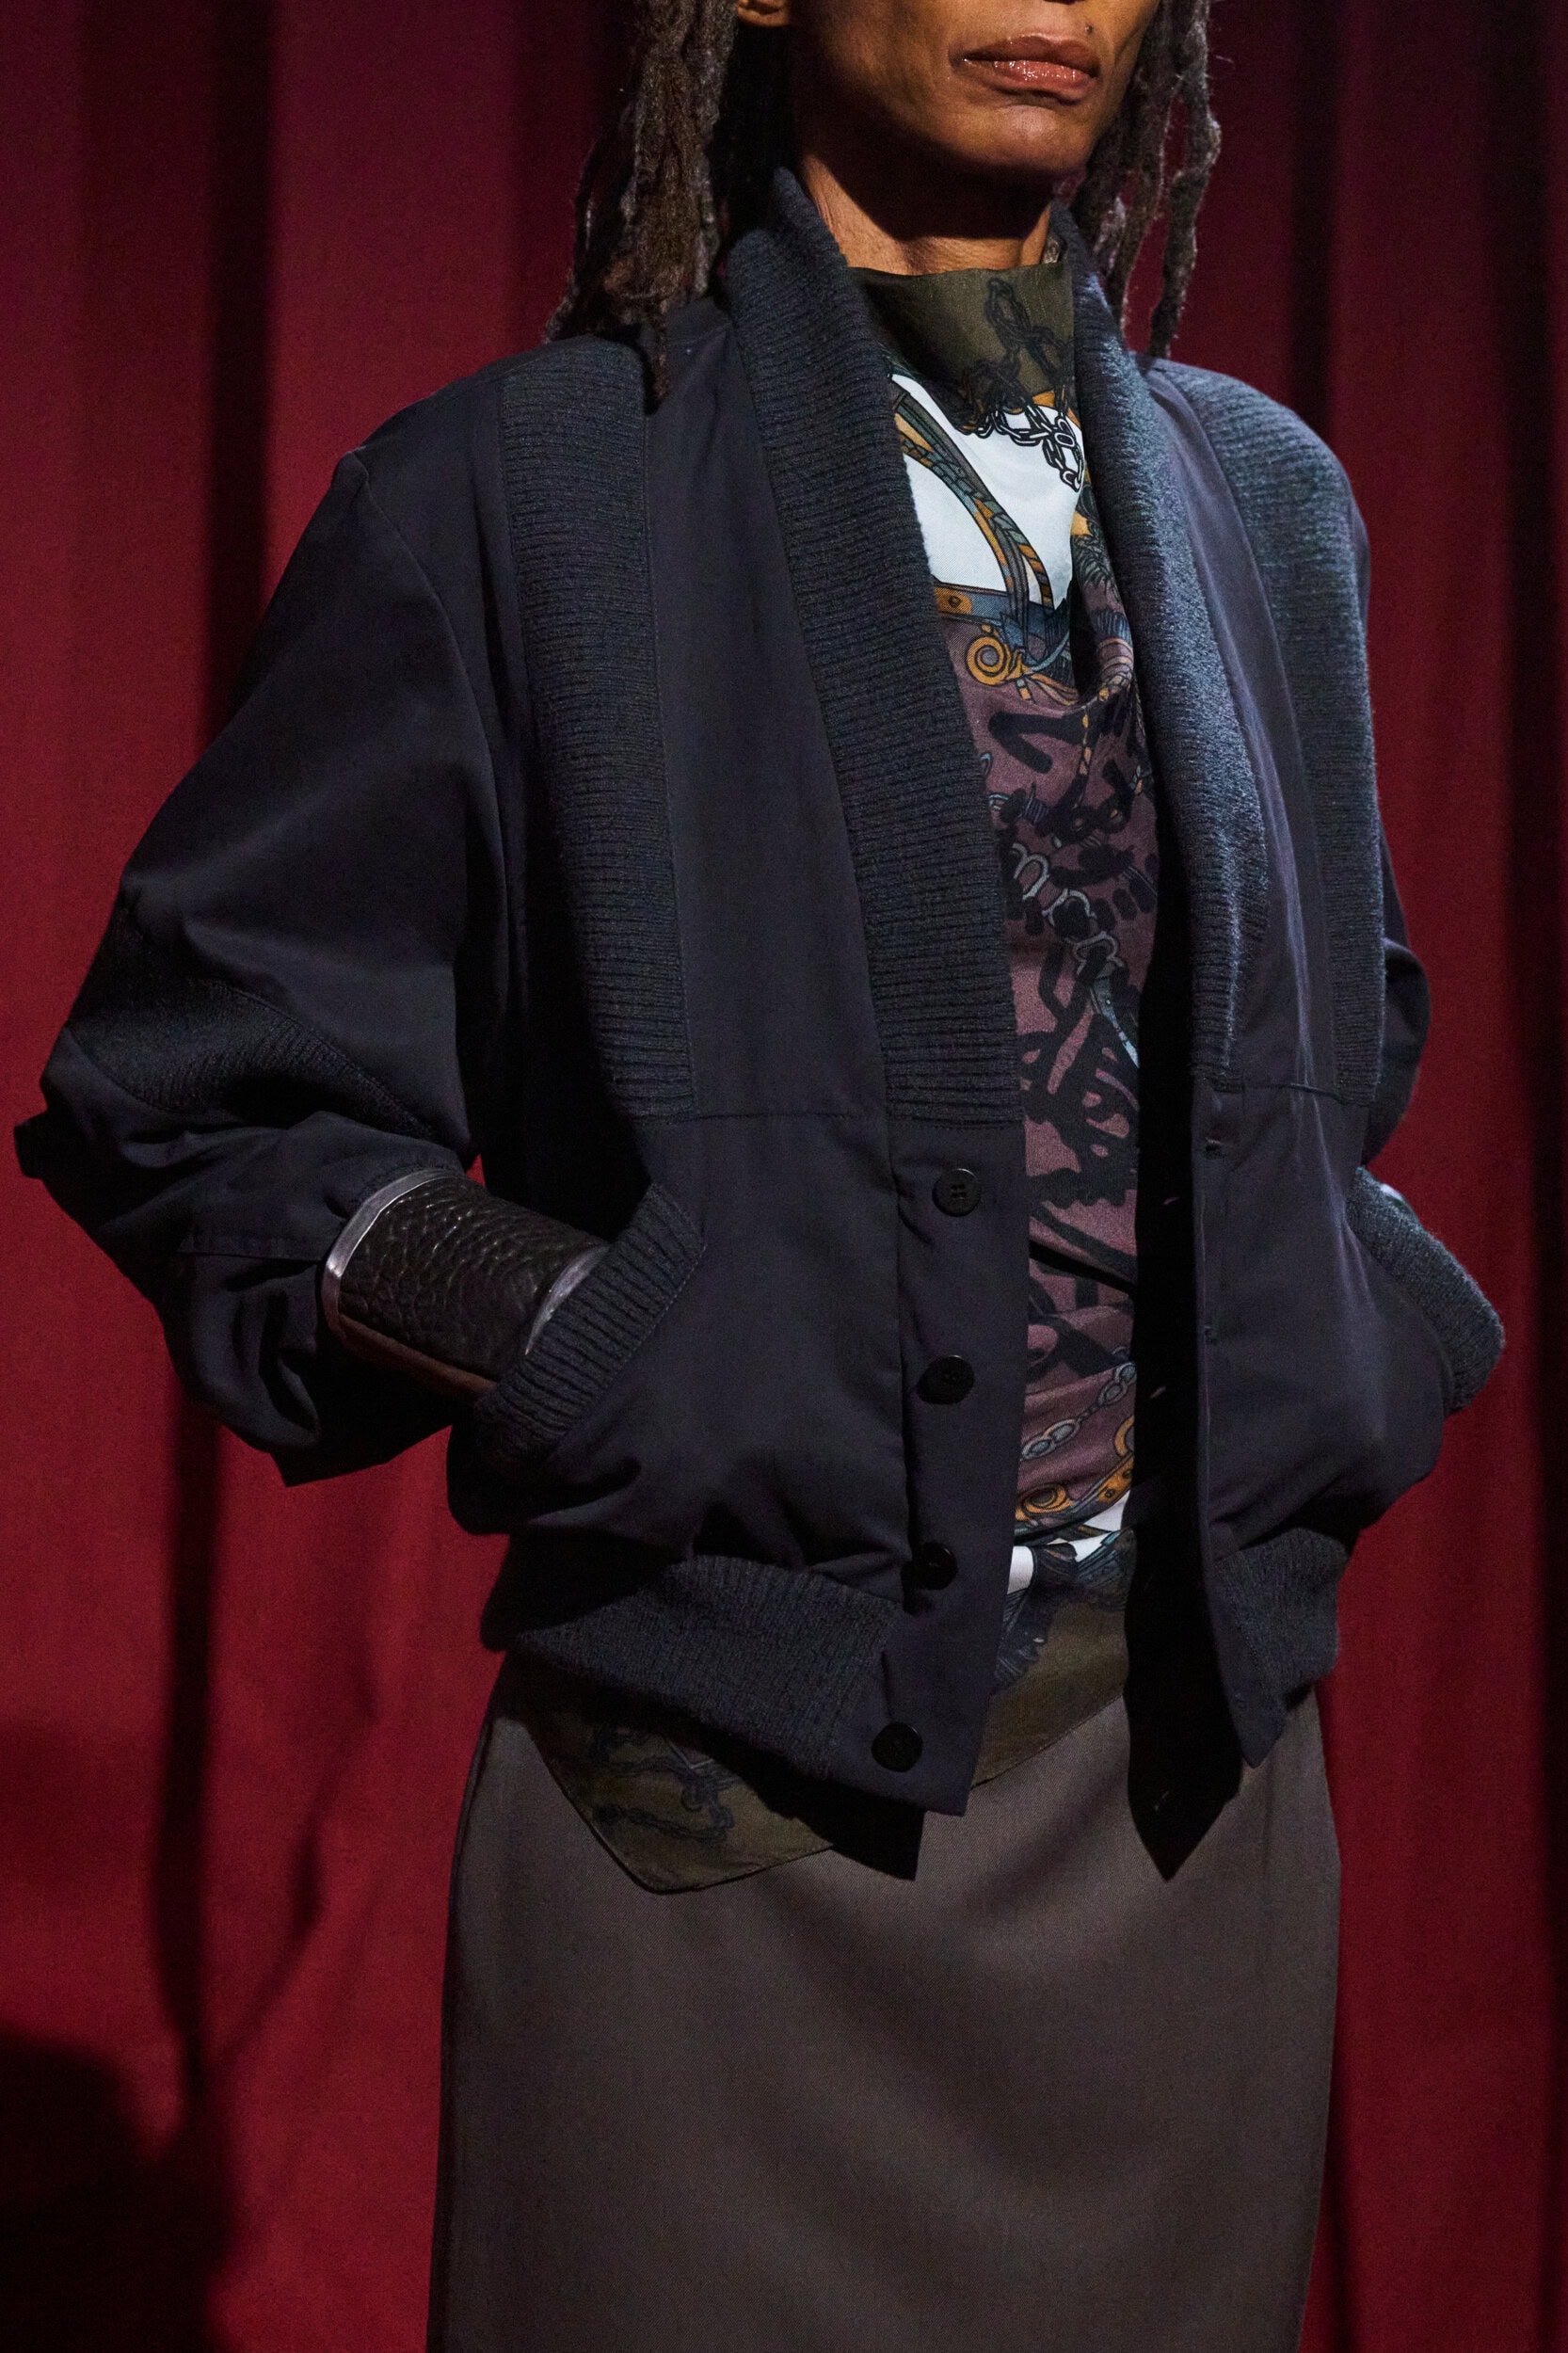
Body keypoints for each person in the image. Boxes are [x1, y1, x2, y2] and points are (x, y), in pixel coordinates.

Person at [18, 2, 1504, 2347]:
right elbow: (197, 1093)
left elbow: (1336, 1047)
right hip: (714, 1843)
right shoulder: (526, 493)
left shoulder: (1263, 500)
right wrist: (592, 1332)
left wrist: (1370, 1303)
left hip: (1188, 1834)